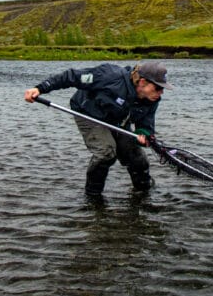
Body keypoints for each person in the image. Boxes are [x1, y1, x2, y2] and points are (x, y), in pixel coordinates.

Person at [24, 62, 172, 198]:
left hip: (117, 119)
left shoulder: (151, 99)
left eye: (163, 88)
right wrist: (40, 88)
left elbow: (145, 124)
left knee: (137, 158)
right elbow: (71, 77)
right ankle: (93, 197)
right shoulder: (108, 76)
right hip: (88, 114)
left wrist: (144, 135)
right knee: (106, 153)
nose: (161, 92)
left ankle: (144, 192)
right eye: (158, 87)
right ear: (142, 82)